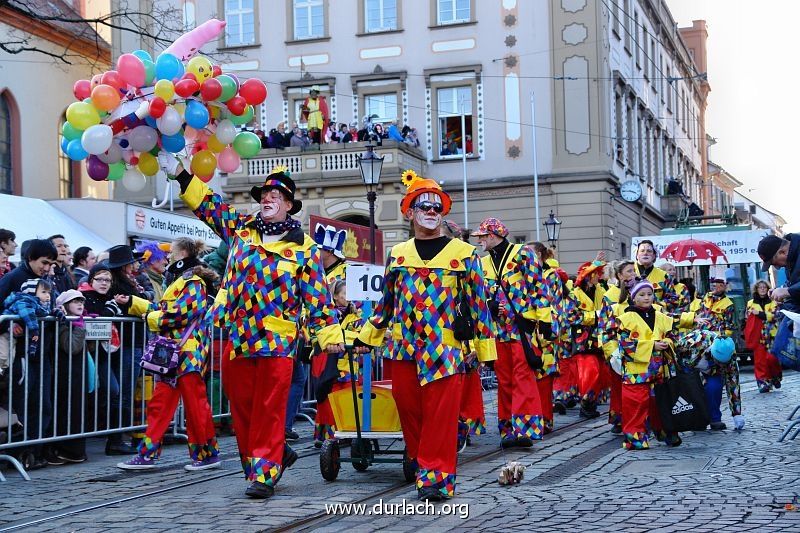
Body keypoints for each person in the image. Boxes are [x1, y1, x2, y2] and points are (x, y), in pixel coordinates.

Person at [160, 153, 345, 500]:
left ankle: (264, 471)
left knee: (269, 407)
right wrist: (181, 174)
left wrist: (329, 335)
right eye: (264, 195)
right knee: (241, 405)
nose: (267, 199)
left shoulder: (304, 249)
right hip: (239, 335)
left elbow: (318, 297)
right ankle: (272, 456)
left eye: (275, 196)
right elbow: (209, 206)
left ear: (289, 205)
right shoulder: (242, 230)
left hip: (278, 338)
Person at [357, 169, 497, 502]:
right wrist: (367, 336)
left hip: (445, 349)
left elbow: (479, 304)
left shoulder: (463, 253)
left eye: (437, 206)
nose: (431, 211)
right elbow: (386, 303)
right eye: (424, 206)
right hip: (403, 348)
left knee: (441, 416)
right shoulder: (399, 253)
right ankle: (425, 466)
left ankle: (437, 477)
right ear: (410, 212)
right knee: (409, 411)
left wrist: (485, 350)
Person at [119, 238, 220, 471]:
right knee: (160, 404)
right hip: (174, 352)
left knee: (195, 406)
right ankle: (148, 453)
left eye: (171, 252)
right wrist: (135, 303)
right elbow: (167, 311)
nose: (167, 256)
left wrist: (149, 317)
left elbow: (179, 314)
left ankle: (206, 453)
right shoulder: (179, 280)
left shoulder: (193, 281)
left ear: (182, 253)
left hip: (188, 351)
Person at [472, 218, 548, 448]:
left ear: (494, 236)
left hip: (522, 327)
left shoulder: (523, 254)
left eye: (483, 237)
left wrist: (543, 319)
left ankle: (525, 430)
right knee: (504, 379)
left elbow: (538, 286)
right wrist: (488, 304)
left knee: (523, 376)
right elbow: (478, 293)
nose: (480, 241)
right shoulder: (482, 263)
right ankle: (507, 429)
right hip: (497, 329)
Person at [615, 280, 681, 449]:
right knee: (636, 403)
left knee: (660, 402)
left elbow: (672, 336)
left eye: (649, 294)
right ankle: (635, 437)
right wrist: (652, 345)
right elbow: (625, 346)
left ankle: (667, 431)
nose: (646, 298)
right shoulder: (625, 319)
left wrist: (666, 342)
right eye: (642, 295)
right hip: (636, 371)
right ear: (633, 298)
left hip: (659, 369)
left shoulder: (661, 316)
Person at [79, 263, 135, 455]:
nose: (104, 283)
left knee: (113, 391)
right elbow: (96, 321)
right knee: (103, 393)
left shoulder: (111, 299)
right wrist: (111, 310)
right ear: (91, 279)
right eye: (100, 279)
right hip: (88, 355)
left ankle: (114, 439)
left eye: (107, 280)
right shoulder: (83, 297)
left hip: (106, 355)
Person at [312, 279, 364, 446]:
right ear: (335, 296)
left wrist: (345, 340)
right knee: (328, 399)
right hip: (328, 365)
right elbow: (316, 334)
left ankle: (347, 433)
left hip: (349, 365)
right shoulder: (328, 316)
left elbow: (360, 336)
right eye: (344, 294)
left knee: (348, 399)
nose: (348, 298)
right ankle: (327, 436)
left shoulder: (356, 316)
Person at [49, 289, 89, 463]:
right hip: (65, 375)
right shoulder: (63, 324)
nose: (80, 304)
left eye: (81, 301)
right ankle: (66, 449)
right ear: (64, 306)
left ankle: (75, 450)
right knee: (67, 409)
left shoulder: (77, 321)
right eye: (75, 301)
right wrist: (80, 329)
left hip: (76, 375)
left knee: (77, 409)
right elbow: (71, 347)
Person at [568, 259, 606, 418]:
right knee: (590, 372)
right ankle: (585, 402)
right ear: (589, 276)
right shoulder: (574, 293)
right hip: (582, 340)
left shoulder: (601, 291)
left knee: (602, 373)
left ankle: (590, 403)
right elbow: (571, 316)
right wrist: (594, 316)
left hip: (599, 338)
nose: (600, 276)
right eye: (597, 273)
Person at [745, 280, 782, 392]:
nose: (762, 289)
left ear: (767, 289)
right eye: (760, 287)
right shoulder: (750, 303)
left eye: (764, 287)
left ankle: (775, 376)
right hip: (757, 335)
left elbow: (777, 315)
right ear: (756, 289)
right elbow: (748, 319)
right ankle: (763, 382)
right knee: (760, 361)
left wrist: (761, 314)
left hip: (771, 335)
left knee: (772, 359)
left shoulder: (773, 302)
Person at [759, 233, 800, 312]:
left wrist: (788, 291)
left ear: (782, 252)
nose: (777, 267)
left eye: (775, 263)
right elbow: (793, 284)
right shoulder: (790, 261)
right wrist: (781, 291)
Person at [634, 240, 678, 308]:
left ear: (654, 256)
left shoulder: (664, 276)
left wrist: (656, 306)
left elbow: (673, 300)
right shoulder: (627, 272)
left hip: (655, 315)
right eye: (642, 251)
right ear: (637, 255)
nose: (645, 253)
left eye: (649, 251)